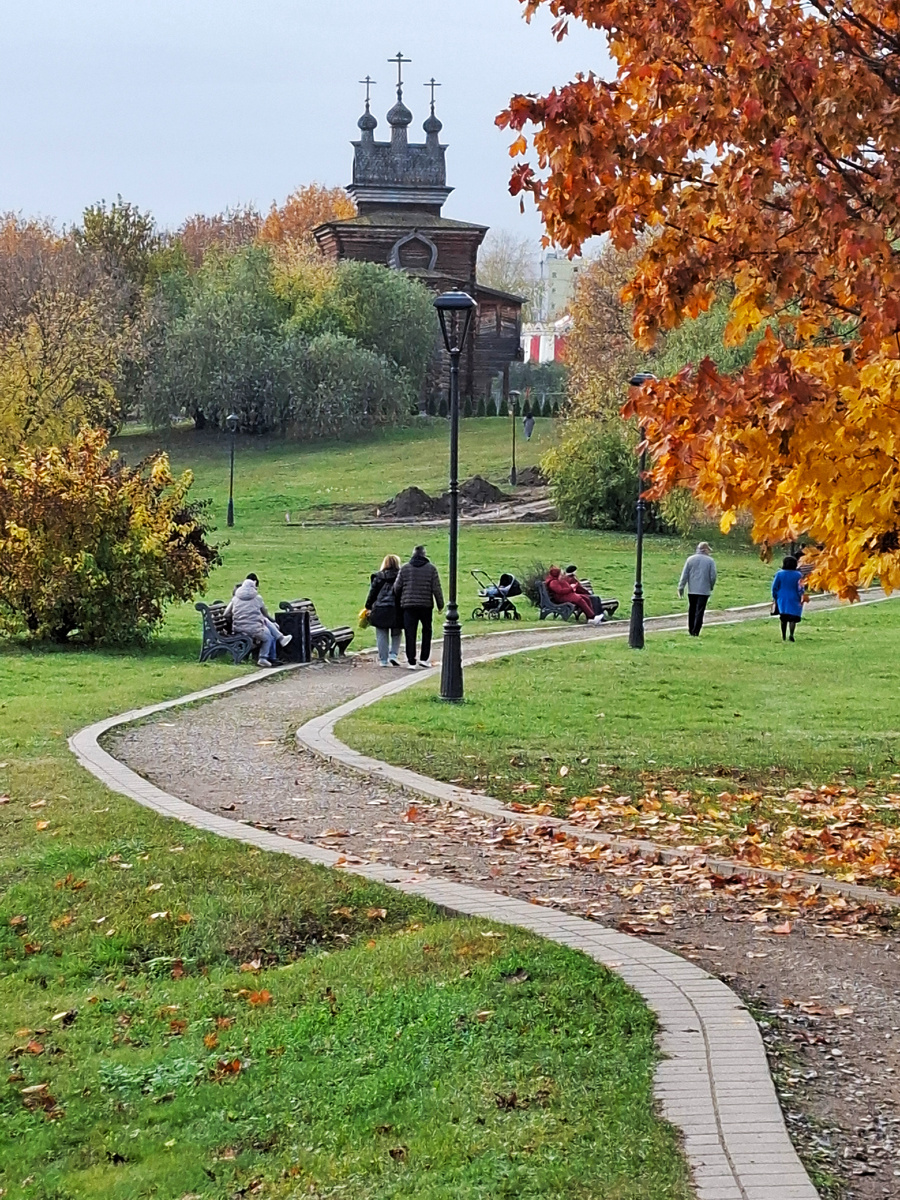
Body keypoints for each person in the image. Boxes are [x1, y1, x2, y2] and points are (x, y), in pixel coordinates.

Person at [225, 573, 291, 667]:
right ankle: (264, 658)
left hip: (238, 627)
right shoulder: (257, 599)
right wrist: (272, 620)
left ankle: (272, 656)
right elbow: (265, 613)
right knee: (268, 637)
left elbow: (226, 613)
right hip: (254, 628)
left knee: (268, 630)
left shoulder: (235, 599)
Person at [394, 545, 444, 669]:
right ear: (424, 554)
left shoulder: (405, 568)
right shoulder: (431, 569)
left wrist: (401, 598)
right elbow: (436, 588)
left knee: (410, 632)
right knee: (427, 631)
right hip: (425, 605)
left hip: (408, 605)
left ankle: (411, 660)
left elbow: (396, 587)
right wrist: (440, 604)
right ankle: (424, 659)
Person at [365, 554, 403, 667]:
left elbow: (372, 594)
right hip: (396, 608)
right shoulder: (401, 576)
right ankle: (394, 655)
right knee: (397, 632)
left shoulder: (378, 577)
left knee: (381, 633)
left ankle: (383, 660)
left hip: (380, 608)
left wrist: (368, 606)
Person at [677, 542, 717, 636]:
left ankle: (690, 629)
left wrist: (681, 587)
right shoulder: (710, 561)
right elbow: (713, 576)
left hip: (692, 590)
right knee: (700, 611)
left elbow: (684, 575)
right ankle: (696, 631)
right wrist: (711, 586)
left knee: (692, 609)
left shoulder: (690, 559)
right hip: (704, 590)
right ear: (705, 550)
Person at [772, 555, 805, 642]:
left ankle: (783, 636)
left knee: (783, 617)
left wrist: (775, 596)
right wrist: (801, 595)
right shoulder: (798, 575)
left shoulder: (779, 574)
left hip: (782, 598)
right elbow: (800, 588)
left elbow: (774, 587)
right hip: (795, 598)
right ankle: (791, 634)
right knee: (793, 618)